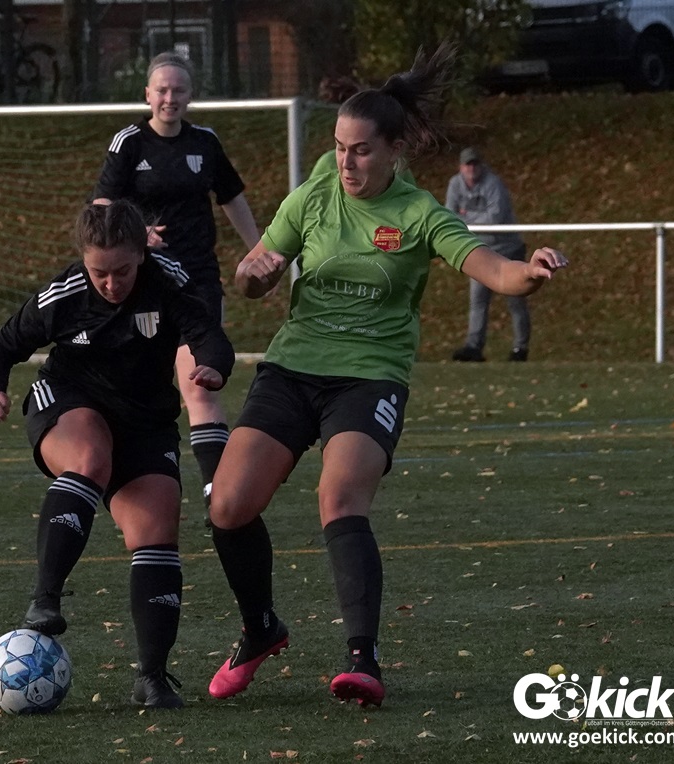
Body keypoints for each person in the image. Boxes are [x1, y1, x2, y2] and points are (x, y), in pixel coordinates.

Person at [204, 43, 569, 708]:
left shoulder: (419, 214)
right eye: (340, 148)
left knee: (339, 496)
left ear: (395, 150)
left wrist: (531, 273)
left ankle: (363, 659)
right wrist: (252, 275)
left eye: (362, 151)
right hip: (293, 367)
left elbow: (491, 267)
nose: (347, 162)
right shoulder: (316, 192)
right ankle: (260, 629)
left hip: (369, 378)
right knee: (227, 507)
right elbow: (258, 271)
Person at [0, 200, 235, 710]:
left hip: (144, 420)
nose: (111, 283)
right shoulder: (66, 293)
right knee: (91, 458)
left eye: (122, 271)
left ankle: (152, 677)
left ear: (142, 254)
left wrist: (213, 366)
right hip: (70, 398)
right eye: (100, 273)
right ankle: (45, 599)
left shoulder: (168, 280)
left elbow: (210, 335)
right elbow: (1, 345)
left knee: (156, 531)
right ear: (84, 261)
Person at [92, 51, 260, 521]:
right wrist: (136, 232)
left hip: (197, 282)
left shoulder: (205, 142)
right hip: (143, 282)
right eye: (162, 90)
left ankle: (217, 493)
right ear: (147, 94)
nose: (170, 98)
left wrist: (258, 249)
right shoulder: (129, 142)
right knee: (137, 384)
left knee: (199, 385)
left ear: (190, 95)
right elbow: (102, 205)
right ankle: (126, 480)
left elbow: (232, 198)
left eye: (179, 90)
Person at [448, 147, 532, 362]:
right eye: (467, 164)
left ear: (481, 165)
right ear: (461, 167)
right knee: (478, 300)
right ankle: (474, 347)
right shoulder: (455, 184)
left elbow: (495, 218)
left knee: (515, 299)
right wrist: (472, 219)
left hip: (508, 248)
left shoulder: (493, 184)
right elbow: (448, 216)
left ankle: (520, 348)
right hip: (480, 250)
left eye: (475, 164)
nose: (471, 168)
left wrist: (466, 217)